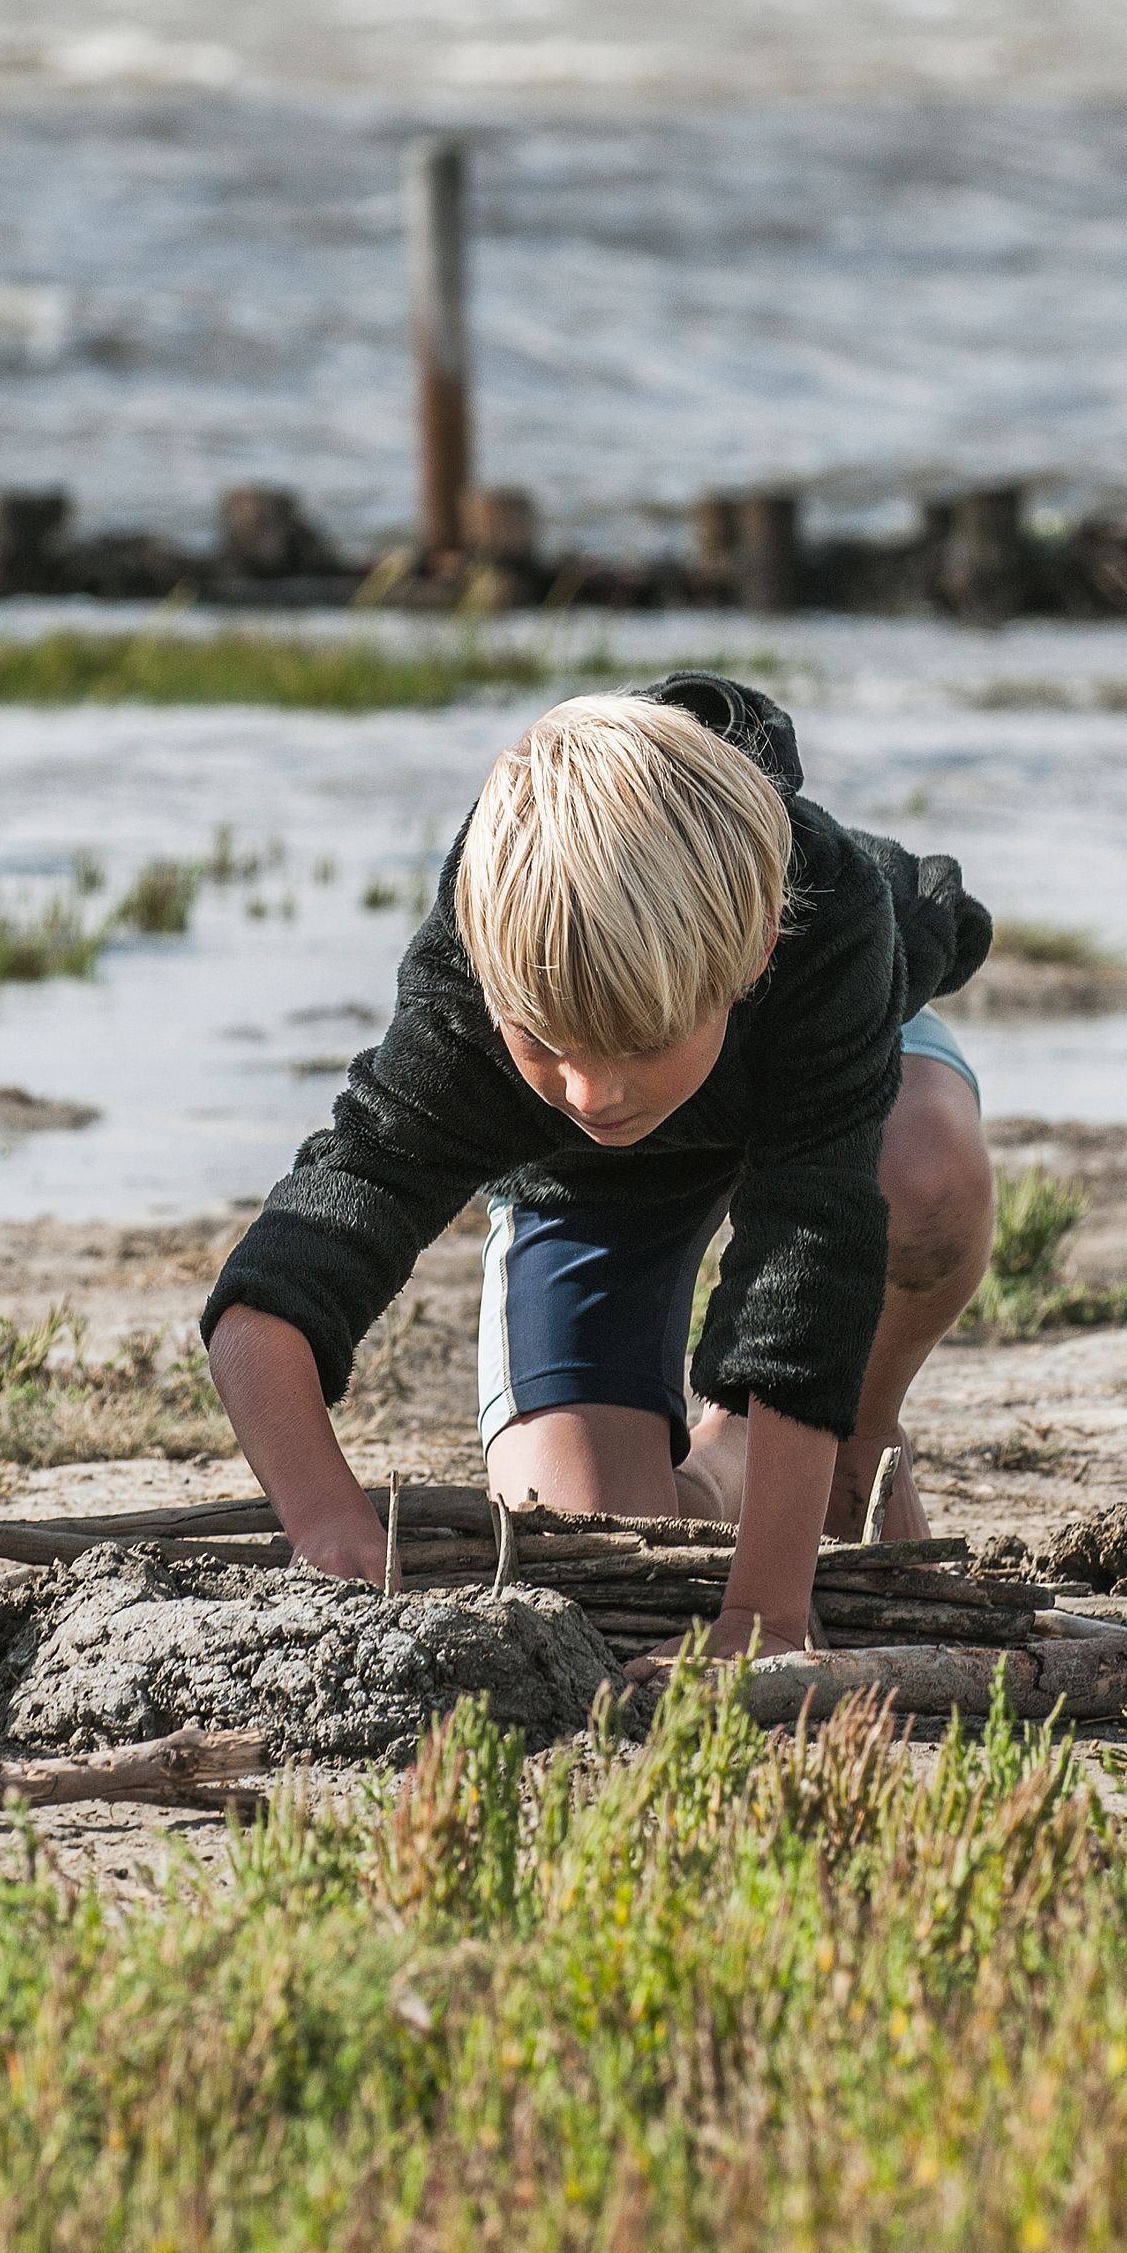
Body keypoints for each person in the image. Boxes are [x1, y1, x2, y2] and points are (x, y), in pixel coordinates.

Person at [203, 675, 993, 1659]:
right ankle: (724, 1463)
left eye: (636, 1044)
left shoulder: (829, 923)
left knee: (924, 1175)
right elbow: (268, 1298)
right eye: (550, 1044)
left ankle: (856, 1441)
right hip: (586, 1187)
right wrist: (328, 1522)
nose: (591, 1093)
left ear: (752, 957)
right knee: (607, 1547)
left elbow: (808, 1265)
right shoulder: (473, 1004)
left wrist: (763, 1617)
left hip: (815, 1078)